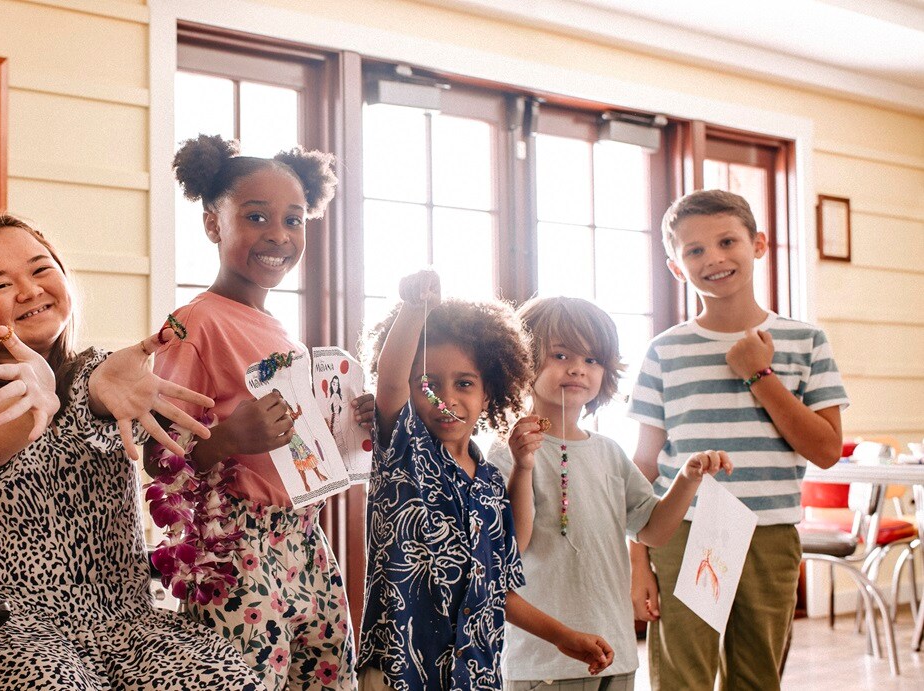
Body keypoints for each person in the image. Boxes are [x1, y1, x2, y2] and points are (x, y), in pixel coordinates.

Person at [0, 214, 260, 690]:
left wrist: (90, 387)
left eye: (40, 269)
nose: (30, 291)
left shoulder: (104, 377)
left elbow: (93, 390)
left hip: (121, 627)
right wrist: (36, 395)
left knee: (223, 677)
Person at [152, 134, 356, 689]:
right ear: (213, 224)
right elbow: (154, 453)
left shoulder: (283, 335)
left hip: (305, 539)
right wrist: (225, 438)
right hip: (236, 548)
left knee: (329, 675)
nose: (279, 235)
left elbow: (298, 445)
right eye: (257, 216)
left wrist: (348, 424)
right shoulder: (194, 324)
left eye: (294, 220)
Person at [628, 190, 849, 690]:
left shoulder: (806, 340)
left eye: (728, 241)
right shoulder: (664, 352)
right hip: (683, 530)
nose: (714, 258)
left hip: (768, 531)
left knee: (757, 678)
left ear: (759, 245)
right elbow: (643, 467)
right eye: (695, 250)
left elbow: (827, 450)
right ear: (675, 266)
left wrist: (759, 374)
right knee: (682, 679)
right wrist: (636, 557)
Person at [357, 269, 614, 691]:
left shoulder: (492, 480)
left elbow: (506, 565)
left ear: (488, 394)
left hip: (473, 674)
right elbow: (389, 380)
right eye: (428, 385)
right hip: (398, 670)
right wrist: (415, 310)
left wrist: (565, 637)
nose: (447, 398)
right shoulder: (403, 451)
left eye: (464, 384)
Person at [491, 296, 733, 691]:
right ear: (523, 361)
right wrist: (524, 466)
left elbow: (652, 531)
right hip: (543, 658)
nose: (577, 369)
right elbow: (512, 546)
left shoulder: (609, 452)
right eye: (560, 354)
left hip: (615, 651)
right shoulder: (507, 454)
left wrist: (686, 480)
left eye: (592, 359)